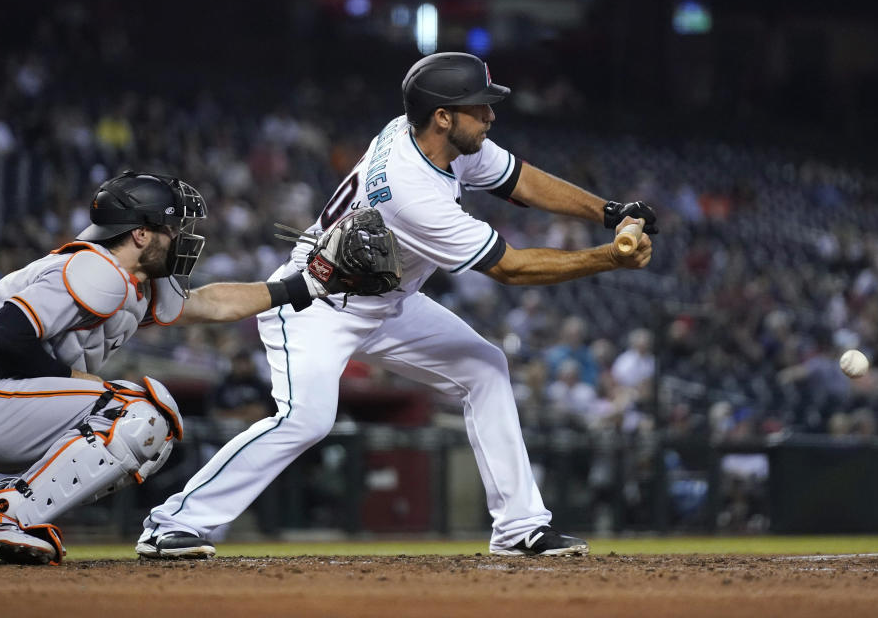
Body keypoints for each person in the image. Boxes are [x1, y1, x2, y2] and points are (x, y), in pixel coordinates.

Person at [137, 52, 656, 558]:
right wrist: (610, 256)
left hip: (388, 300)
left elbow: (517, 178)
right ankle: (173, 523)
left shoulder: (433, 136)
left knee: (486, 368)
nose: (491, 115)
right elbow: (511, 269)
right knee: (308, 419)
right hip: (318, 300)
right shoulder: (410, 190)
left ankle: (520, 528)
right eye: (480, 107)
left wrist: (608, 211)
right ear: (443, 116)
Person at [0, 171, 340, 565]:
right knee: (138, 412)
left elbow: (213, 304)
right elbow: (2, 336)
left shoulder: (136, 281)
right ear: (141, 234)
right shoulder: (97, 269)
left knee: (153, 435)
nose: (180, 237)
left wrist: (308, 285)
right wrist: (74, 380)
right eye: (172, 227)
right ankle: (3, 516)